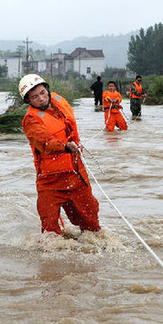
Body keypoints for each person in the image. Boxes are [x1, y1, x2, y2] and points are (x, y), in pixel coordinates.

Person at [19, 74, 101, 235]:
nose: (41, 98)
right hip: (50, 182)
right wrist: (65, 146)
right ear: (28, 101)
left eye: (42, 93)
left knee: (91, 224)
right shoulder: (31, 120)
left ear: (48, 90)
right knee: (49, 232)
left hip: (76, 175)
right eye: (35, 97)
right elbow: (44, 142)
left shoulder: (59, 104)